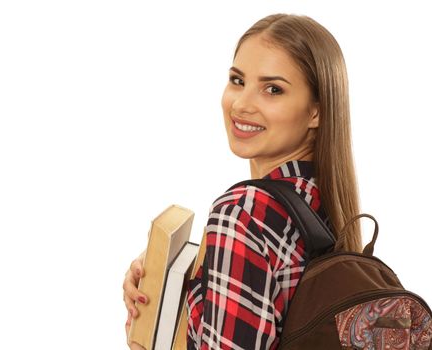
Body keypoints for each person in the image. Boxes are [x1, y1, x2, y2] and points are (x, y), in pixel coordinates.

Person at [123, 13, 363, 349]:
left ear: (316, 112)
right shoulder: (326, 204)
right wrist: (175, 284)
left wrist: (144, 336)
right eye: (237, 80)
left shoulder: (242, 213)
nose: (242, 103)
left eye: (273, 89)